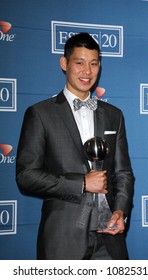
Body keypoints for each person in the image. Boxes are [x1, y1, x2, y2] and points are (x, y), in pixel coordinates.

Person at [16, 32, 134, 260]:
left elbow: (124, 173)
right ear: (64, 63)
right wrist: (81, 183)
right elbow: (26, 176)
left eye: (93, 63)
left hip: (109, 239)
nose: (87, 71)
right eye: (79, 63)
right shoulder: (40, 114)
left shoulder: (114, 115)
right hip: (63, 238)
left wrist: (120, 211)